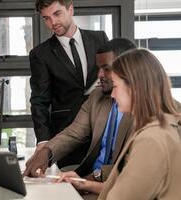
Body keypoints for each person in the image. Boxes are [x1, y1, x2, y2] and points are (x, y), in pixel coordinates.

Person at [61, 49, 181, 200]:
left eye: (116, 86)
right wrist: (84, 184)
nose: (112, 95)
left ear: (134, 88)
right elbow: (132, 188)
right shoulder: (159, 128)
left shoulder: (151, 140)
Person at [24, 37, 137, 188]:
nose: (100, 75)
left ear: (128, 68)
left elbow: (132, 164)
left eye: (107, 68)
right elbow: (74, 133)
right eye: (99, 69)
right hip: (89, 180)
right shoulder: (97, 97)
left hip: (117, 186)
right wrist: (46, 152)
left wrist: (90, 180)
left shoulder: (147, 108)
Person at [29, 0, 108, 168]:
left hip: (103, 129)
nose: (53, 23)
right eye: (46, 18)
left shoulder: (99, 38)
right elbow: (39, 101)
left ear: (70, 9)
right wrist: (43, 141)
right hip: (67, 135)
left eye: (57, 14)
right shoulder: (40, 54)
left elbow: (112, 75)